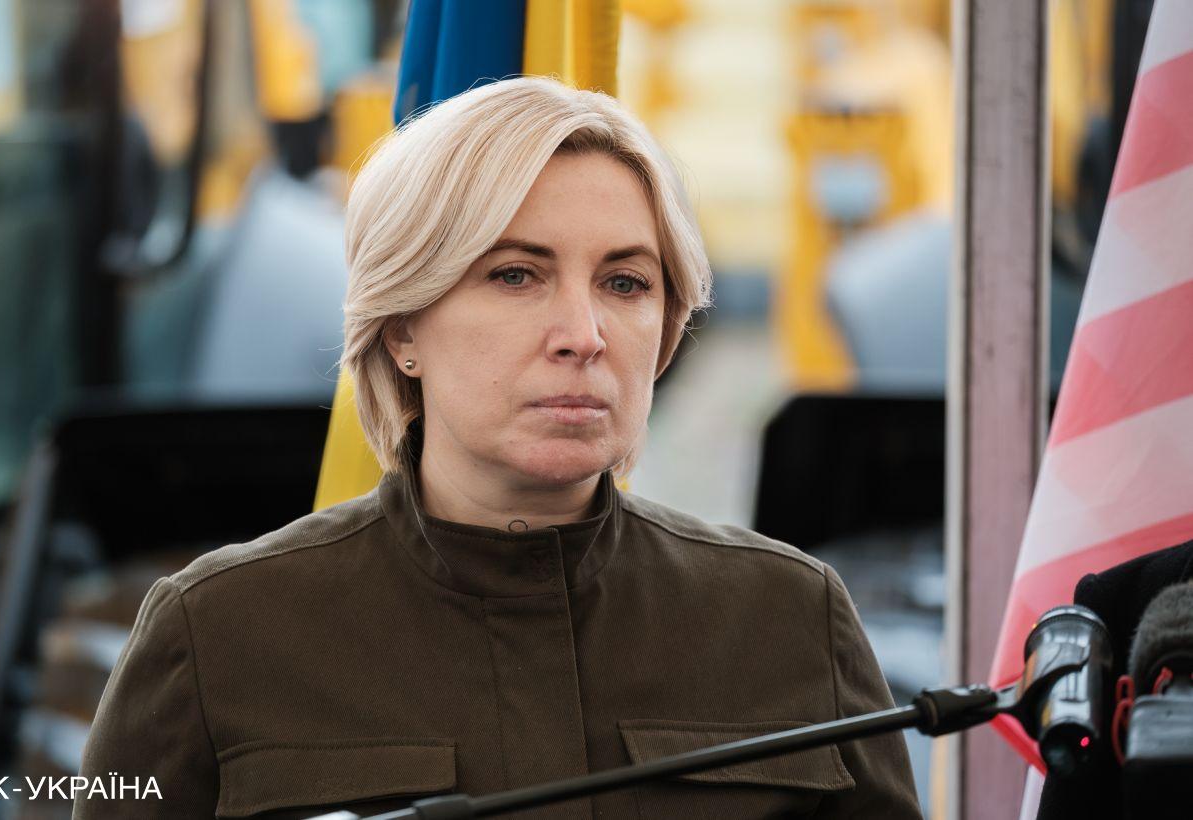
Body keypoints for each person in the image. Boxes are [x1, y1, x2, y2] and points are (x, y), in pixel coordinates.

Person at [75, 76, 921, 819]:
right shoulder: (218, 635)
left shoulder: (788, 621)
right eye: (516, 274)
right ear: (402, 327)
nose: (584, 334)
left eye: (626, 282)